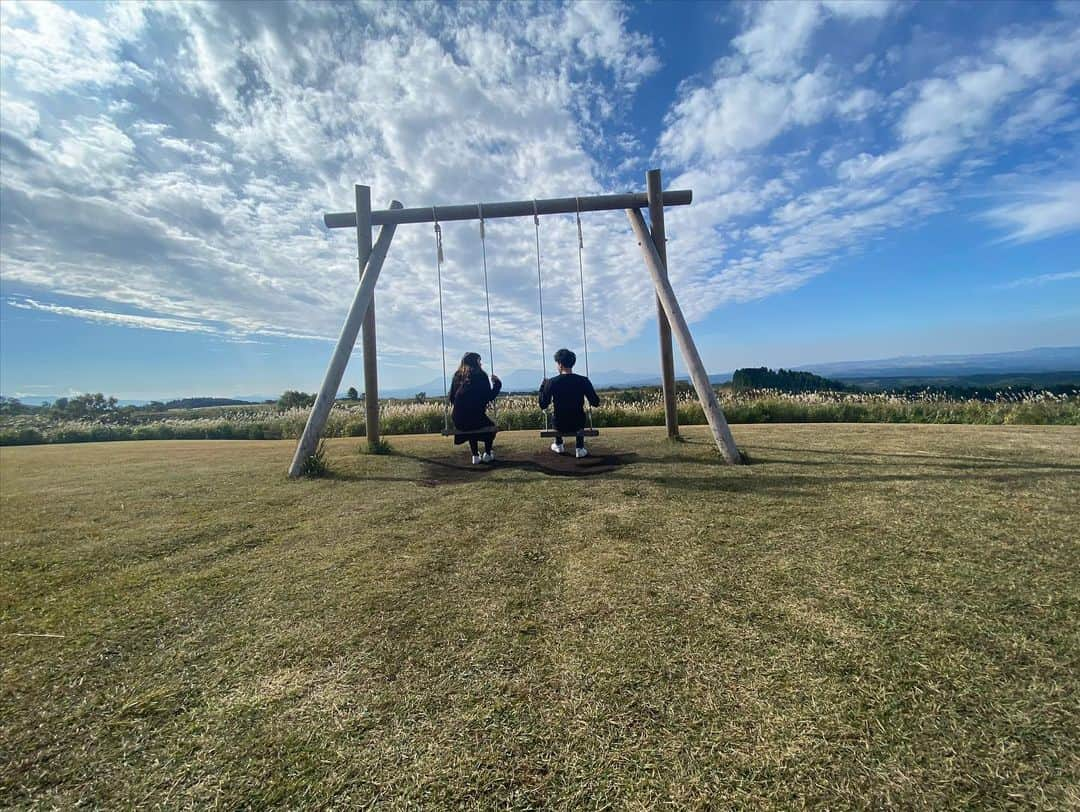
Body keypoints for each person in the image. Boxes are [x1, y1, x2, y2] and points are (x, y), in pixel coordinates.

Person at [538, 348, 599, 458]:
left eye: (557, 364)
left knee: (555, 414)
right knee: (580, 415)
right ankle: (579, 448)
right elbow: (595, 402)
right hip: (577, 424)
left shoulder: (552, 382)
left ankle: (558, 444)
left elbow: (543, 404)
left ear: (560, 364)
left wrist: (542, 387)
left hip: (560, 424)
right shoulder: (583, 380)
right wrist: (588, 388)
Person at [448, 352, 501, 464]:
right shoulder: (481, 375)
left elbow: (452, 398)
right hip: (475, 418)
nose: (480, 363)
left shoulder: (457, 376)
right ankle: (487, 453)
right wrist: (497, 384)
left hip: (458, 420)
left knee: (471, 425)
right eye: (479, 360)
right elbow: (489, 396)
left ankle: (475, 456)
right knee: (490, 427)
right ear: (475, 362)